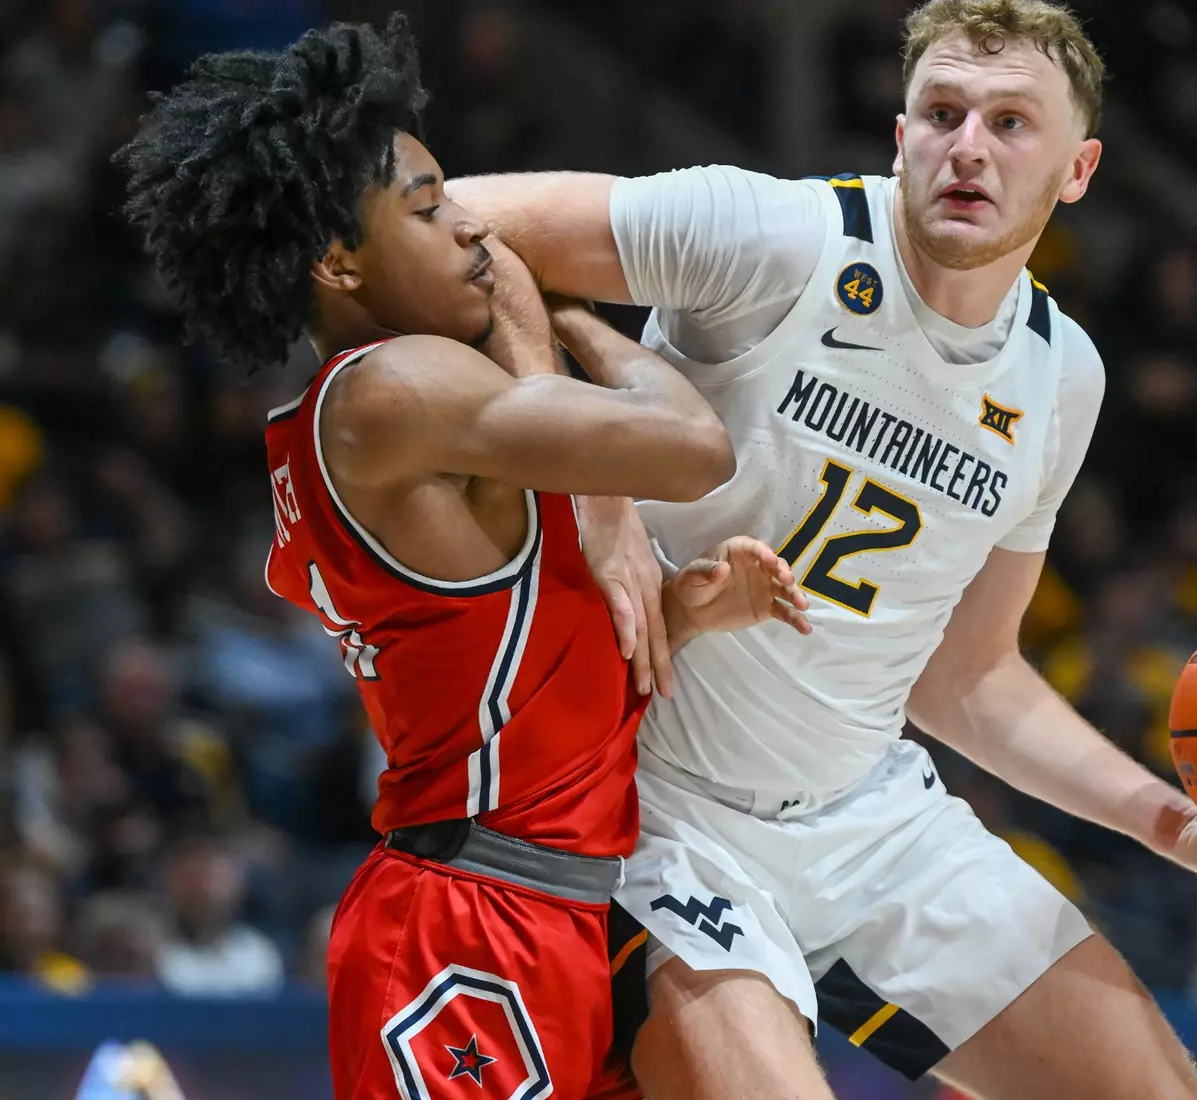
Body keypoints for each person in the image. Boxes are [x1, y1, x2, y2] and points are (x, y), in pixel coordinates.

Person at [456, 2, 1197, 1098]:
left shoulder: (1060, 376)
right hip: (658, 816)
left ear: (1078, 169)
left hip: (872, 818)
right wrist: (592, 488)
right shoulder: (775, 238)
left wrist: (1164, 819)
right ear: (900, 137)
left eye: (1009, 122)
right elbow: (455, 224)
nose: (969, 146)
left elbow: (969, 673)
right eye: (942, 113)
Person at [116, 16, 809, 1100]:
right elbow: (691, 446)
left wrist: (681, 616)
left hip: (550, 908)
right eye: (431, 210)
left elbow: (517, 691)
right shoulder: (389, 393)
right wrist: (580, 318)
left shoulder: (398, 422)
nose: (474, 234)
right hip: (462, 923)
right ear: (337, 260)